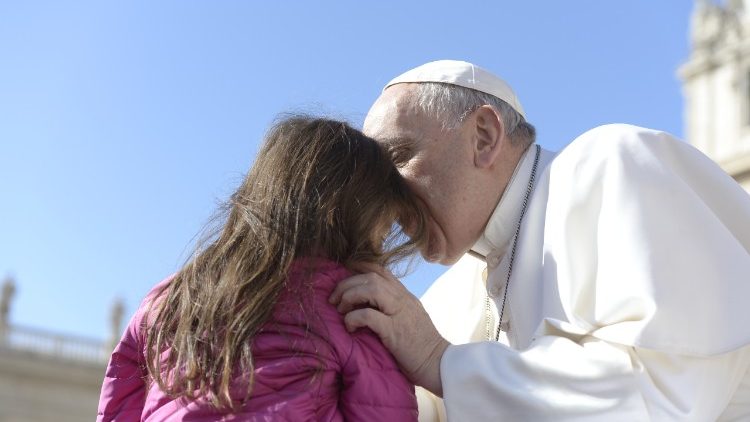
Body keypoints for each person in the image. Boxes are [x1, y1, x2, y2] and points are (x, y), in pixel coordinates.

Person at [330, 60, 750, 421]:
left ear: (483, 136)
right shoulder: (446, 295)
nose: (387, 197)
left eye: (399, 158)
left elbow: (662, 389)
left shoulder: (610, 167)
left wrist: (440, 362)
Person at [97, 116, 424, 421]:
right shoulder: (356, 304)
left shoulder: (169, 297)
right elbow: (385, 410)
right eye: (382, 231)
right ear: (357, 219)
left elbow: (119, 396)